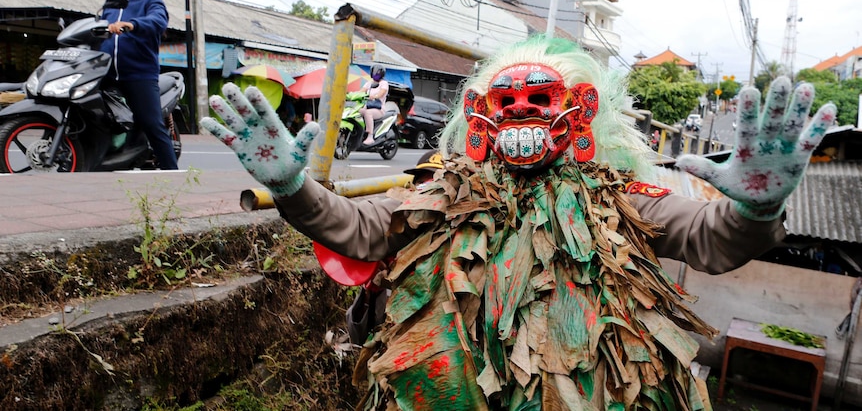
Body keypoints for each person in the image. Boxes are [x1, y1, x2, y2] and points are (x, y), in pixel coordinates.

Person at [202, 35, 835, 409]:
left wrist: (756, 207)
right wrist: (292, 187)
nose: (523, 115)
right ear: (482, 115)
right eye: (507, 104)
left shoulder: (622, 198)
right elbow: (361, 227)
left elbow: (710, 238)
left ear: (580, 113)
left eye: (540, 100)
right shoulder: (443, 187)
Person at [345, 149, 443, 345]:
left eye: (435, 186)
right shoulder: (392, 243)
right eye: (422, 184)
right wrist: (371, 292)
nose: (425, 193)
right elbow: (359, 338)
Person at [99, 0, 178, 170]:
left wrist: (132, 24)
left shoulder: (151, 0)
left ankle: (174, 174)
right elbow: (97, 28)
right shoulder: (111, 3)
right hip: (106, 73)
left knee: (151, 124)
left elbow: (158, 21)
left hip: (139, 74)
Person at [359, 64, 389, 145]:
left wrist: (374, 96)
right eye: (374, 72)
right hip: (367, 106)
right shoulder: (369, 83)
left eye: (378, 72)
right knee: (357, 111)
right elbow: (361, 91)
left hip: (379, 109)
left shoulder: (384, 83)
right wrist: (351, 95)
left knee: (368, 113)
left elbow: (381, 93)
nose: (376, 74)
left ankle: (370, 136)